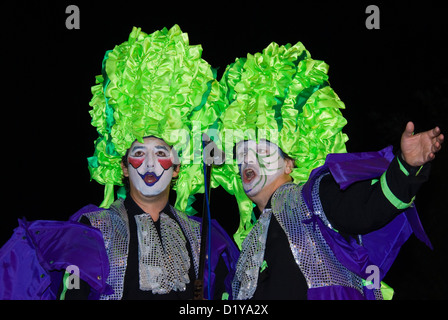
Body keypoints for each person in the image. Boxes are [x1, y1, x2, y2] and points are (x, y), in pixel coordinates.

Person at [0, 25, 238, 300]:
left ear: (176, 169)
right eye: (139, 153)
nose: (150, 163)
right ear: (123, 167)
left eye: (161, 153)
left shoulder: (206, 239)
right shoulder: (94, 232)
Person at [209, 41, 444, 299]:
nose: (248, 161)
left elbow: (365, 209)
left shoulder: (312, 198)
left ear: (290, 163)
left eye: (261, 150)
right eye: (242, 155)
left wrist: (405, 167)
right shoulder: (247, 245)